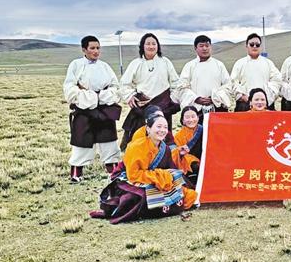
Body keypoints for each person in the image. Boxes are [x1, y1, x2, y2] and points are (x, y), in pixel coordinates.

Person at [92, 112, 198, 224]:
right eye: (159, 126)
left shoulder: (165, 149)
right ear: (148, 129)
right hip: (127, 180)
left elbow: (170, 168)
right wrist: (157, 176)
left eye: (165, 127)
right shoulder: (136, 146)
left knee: (180, 184)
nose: (162, 130)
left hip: (151, 180)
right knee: (138, 196)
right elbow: (133, 174)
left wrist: (168, 174)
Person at [63, 35, 122, 183]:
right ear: (84, 50)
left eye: (98, 48)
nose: (96, 51)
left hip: (104, 109)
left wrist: (102, 96)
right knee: (82, 140)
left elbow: (115, 87)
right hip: (84, 109)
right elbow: (70, 87)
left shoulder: (105, 67)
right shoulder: (76, 65)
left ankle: (113, 171)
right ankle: (76, 172)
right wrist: (87, 97)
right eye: (92, 48)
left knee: (108, 140)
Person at [119, 33, 181, 150]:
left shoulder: (165, 62)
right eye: (148, 44)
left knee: (162, 137)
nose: (151, 46)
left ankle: (162, 158)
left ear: (158, 46)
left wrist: (171, 99)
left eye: (154, 44)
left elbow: (176, 83)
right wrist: (130, 96)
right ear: (142, 46)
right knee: (140, 139)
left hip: (163, 106)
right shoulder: (136, 63)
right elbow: (124, 84)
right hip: (143, 107)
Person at [175, 35, 232, 122]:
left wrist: (214, 98)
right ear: (195, 48)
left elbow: (228, 85)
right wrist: (196, 98)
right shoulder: (189, 66)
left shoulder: (219, 65)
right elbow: (182, 88)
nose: (205, 48)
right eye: (201, 46)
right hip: (196, 110)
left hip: (217, 107)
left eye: (207, 45)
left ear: (210, 47)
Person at [231, 33, 281, 111]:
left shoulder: (268, 63)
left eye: (257, 45)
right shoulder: (239, 63)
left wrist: (268, 96)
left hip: (265, 104)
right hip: (245, 103)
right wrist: (241, 96)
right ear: (247, 46)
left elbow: (277, 80)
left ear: (260, 46)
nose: (254, 46)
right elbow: (233, 82)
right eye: (251, 44)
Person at [172, 106, 203, 183]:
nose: (191, 120)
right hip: (191, 168)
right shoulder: (178, 136)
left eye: (193, 116)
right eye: (187, 117)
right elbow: (176, 155)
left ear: (198, 118)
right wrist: (180, 153)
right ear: (182, 120)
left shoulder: (205, 131)